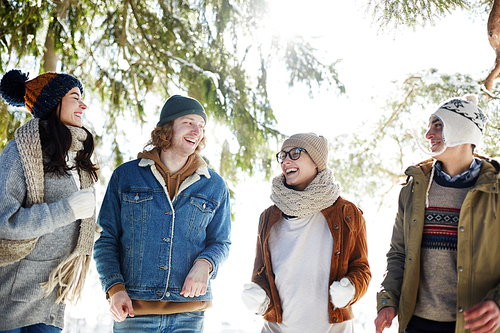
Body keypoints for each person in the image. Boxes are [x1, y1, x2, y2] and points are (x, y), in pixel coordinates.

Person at [93, 94, 231, 332]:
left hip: (189, 315)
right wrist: (114, 288)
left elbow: (221, 242)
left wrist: (205, 264)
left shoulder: (214, 185)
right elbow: (105, 239)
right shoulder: (126, 176)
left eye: (201, 126)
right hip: (134, 314)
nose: (196, 131)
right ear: (167, 127)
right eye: (189, 122)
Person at [374, 94, 500, 333]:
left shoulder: (496, 190)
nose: (428, 134)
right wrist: (388, 301)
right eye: (429, 126)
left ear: (463, 130)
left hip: (475, 328)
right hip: (416, 324)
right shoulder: (414, 188)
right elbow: (398, 253)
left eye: (438, 125)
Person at [0, 69, 99, 332]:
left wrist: (88, 229)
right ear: (54, 102)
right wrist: (67, 210)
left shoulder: (77, 158)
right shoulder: (22, 151)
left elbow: (69, 220)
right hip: (11, 301)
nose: (84, 104)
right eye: (75, 97)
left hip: (52, 299)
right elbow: (5, 221)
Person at [242, 132, 371, 332]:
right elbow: (261, 273)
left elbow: (361, 268)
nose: (286, 160)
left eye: (295, 153)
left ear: (317, 161)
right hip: (277, 328)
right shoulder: (268, 217)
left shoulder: (347, 213)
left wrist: (350, 288)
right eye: (283, 155)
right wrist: (259, 299)